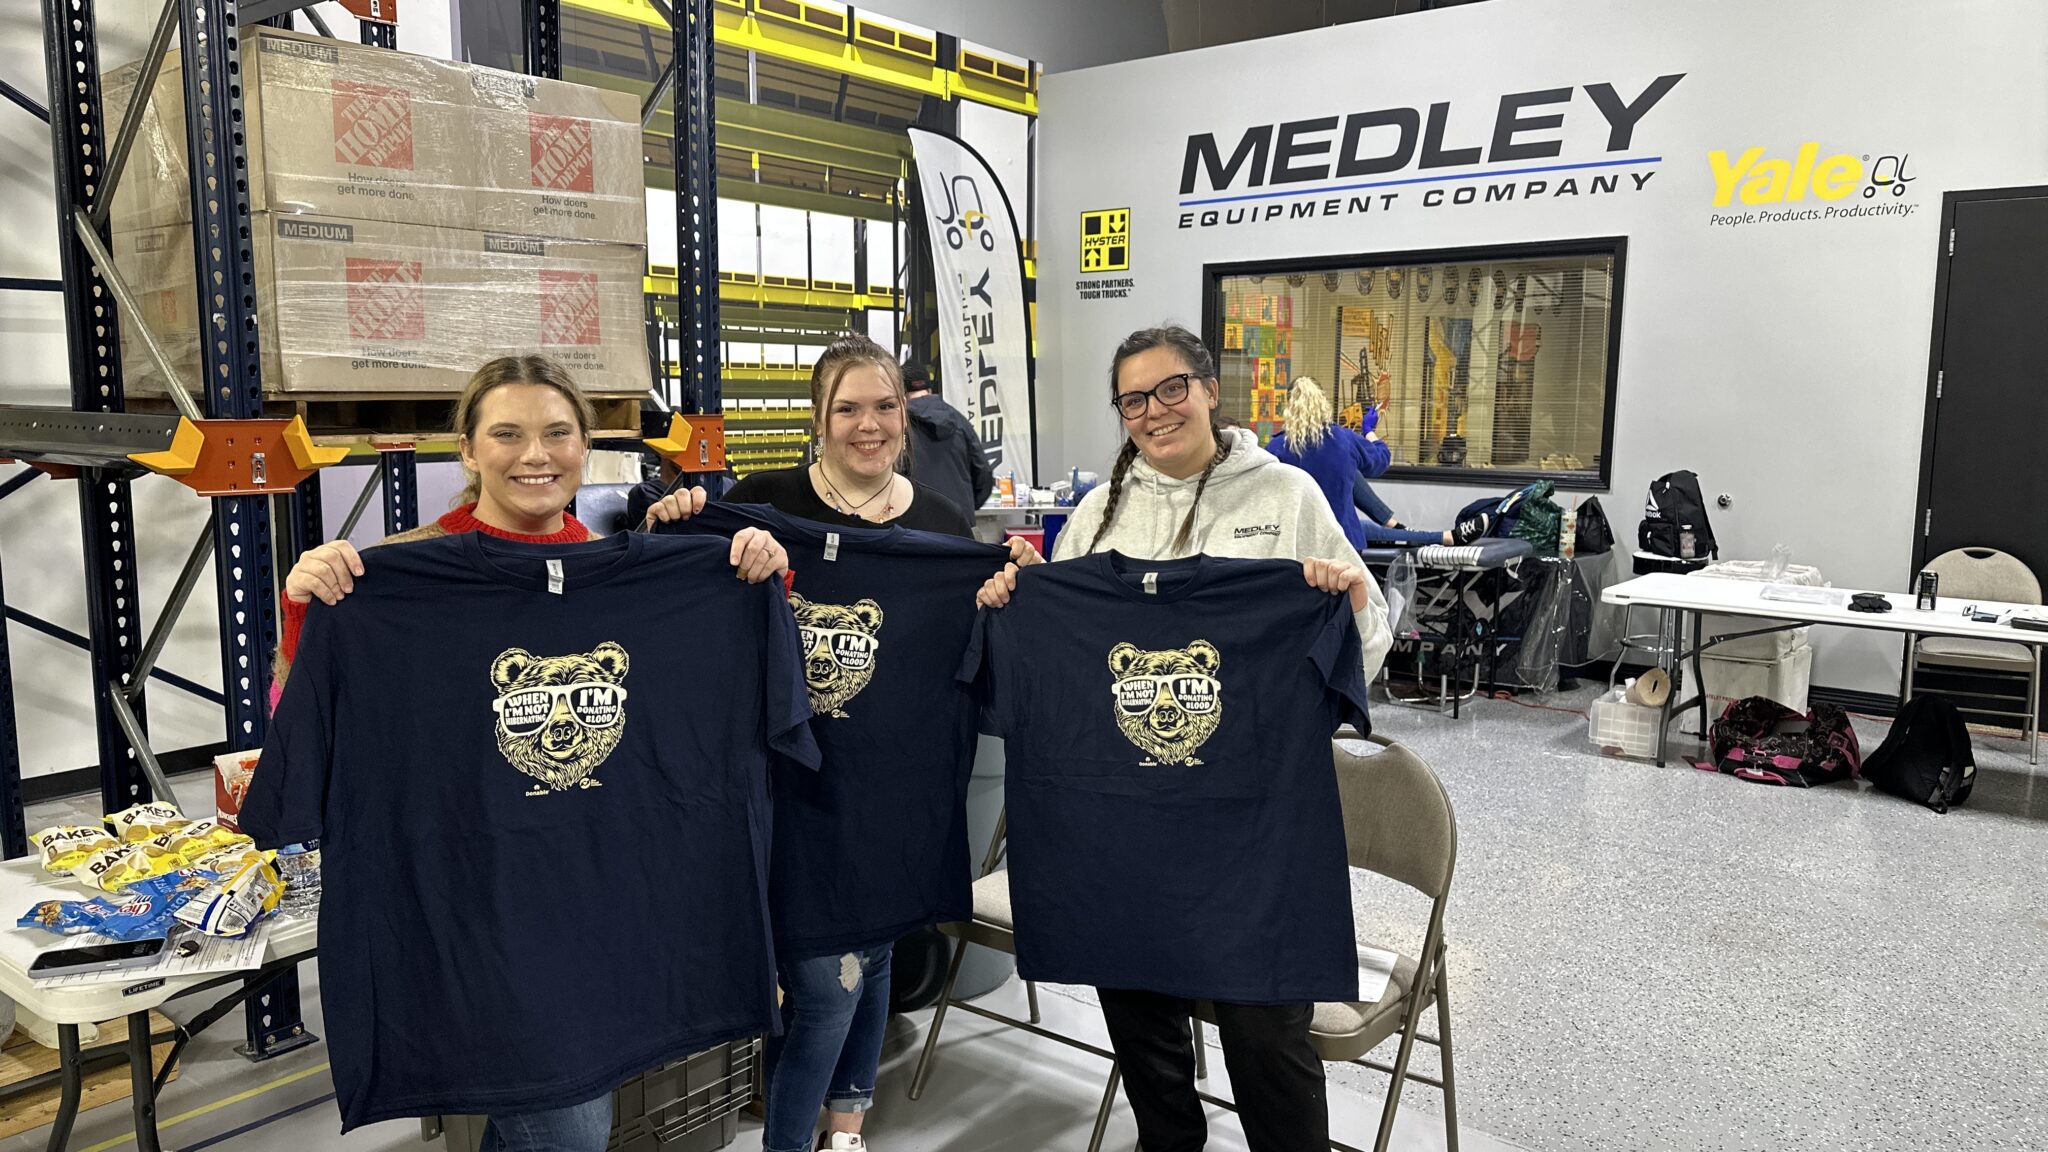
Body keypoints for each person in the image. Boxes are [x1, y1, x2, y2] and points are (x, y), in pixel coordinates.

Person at [274, 354, 785, 1152]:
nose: (535, 454)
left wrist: (753, 579)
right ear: (469, 451)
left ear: (587, 447)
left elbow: (739, 681)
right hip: (474, 913)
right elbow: (311, 724)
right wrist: (309, 610)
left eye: (557, 433)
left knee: (544, 1117)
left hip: (604, 908)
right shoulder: (397, 578)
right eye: (507, 434)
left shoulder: (631, 570)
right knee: (570, 1126)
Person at [975, 324, 1391, 1152]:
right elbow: (1070, 654)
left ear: (1208, 390)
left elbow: (1367, 645)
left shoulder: (1286, 497)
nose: (1155, 411)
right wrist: (1011, 602)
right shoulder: (1098, 512)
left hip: (1251, 824)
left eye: (1171, 389)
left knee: (1265, 1031)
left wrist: (1342, 602)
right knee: (1137, 1014)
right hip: (1123, 821)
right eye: (1134, 398)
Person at [721, 335, 972, 1152]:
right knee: (826, 986)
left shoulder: (941, 523)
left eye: (885, 406)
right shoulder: (764, 503)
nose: (869, 425)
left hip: (896, 782)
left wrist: (1010, 585)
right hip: (794, 786)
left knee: (877, 950)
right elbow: (690, 577)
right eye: (848, 408)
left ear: (908, 414)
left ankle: (847, 1127)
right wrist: (686, 517)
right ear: (819, 420)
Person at [1267, 376, 1492, 549]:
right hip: (1342, 541)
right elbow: (1381, 460)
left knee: (1349, 473)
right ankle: (1432, 534)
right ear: (1323, 402)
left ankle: (1402, 527)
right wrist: (1369, 431)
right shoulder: (1343, 440)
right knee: (1351, 483)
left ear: (1288, 406)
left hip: (1296, 541)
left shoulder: (1275, 449)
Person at [901, 361, 996, 516]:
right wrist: (967, 508)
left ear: (901, 393)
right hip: (962, 525)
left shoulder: (899, 427)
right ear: (929, 390)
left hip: (919, 526)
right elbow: (983, 473)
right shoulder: (960, 421)